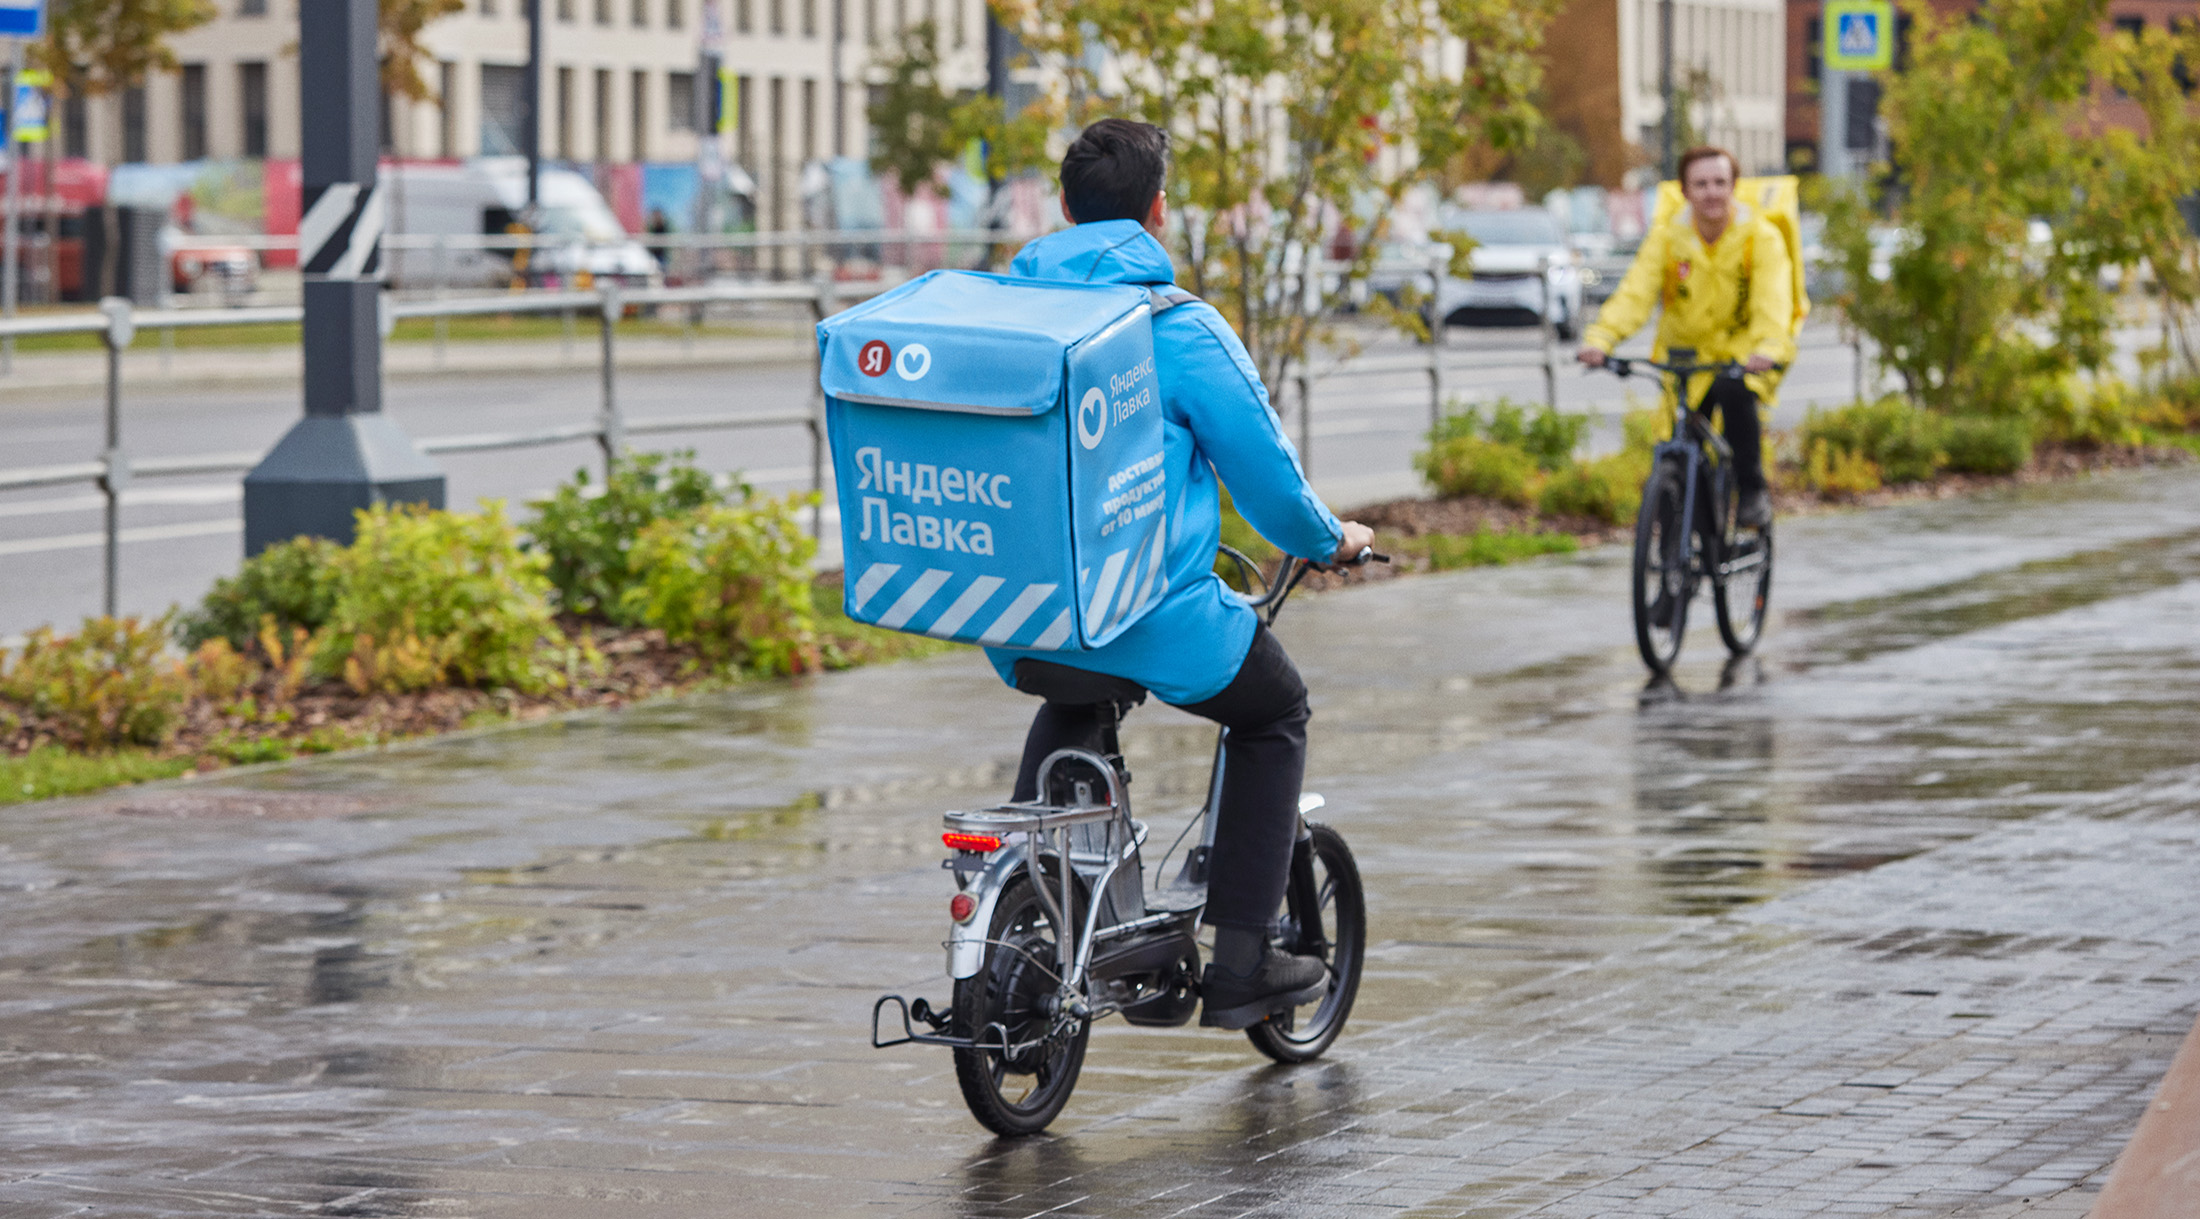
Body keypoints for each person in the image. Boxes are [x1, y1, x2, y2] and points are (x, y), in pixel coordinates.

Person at [986, 118, 1376, 1031]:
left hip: (1022, 616)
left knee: (1078, 691)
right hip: (1149, 608)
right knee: (1274, 708)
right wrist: (1332, 539)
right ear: (1157, 212)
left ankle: (1038, 902)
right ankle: (1242, 956)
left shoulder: (1011, 316)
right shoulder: (1176, 327)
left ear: (1066, 211)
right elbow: (1272, 488)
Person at [1578, 146, 1798, 529]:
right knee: (1674, 455)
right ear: (1684, 191)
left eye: (1719, 182)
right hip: (1684, 358)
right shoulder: (1668, 238)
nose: (1711, 192)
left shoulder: (1759, 237)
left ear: (1734, 187)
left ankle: (1752, 491)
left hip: (1743, 354)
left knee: (1735, 394)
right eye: (1701, 184)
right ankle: (1673, 562)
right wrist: (1601, 339)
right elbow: (1635, 293)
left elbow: (1773, 302)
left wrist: (1768, 347)